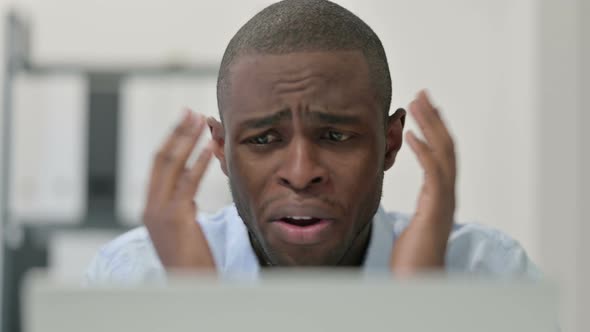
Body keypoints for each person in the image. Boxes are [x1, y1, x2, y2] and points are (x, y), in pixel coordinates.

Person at [86, 0, 539, 283]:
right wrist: (196, 310)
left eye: (336, 135)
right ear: (221, 150)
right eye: (263, 138)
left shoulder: (487, 273)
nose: (301, 174)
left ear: (390, 143)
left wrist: (420, 310)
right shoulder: (136, 276)